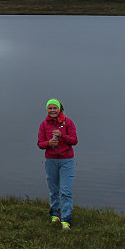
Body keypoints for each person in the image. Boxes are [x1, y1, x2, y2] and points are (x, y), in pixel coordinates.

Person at [38, 98, 78, 230]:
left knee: (66, 191)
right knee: (53, 189)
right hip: (51, 160)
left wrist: (62, 136)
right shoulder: (44, 125)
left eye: (55, 108)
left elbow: (74, 140)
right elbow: (40, 143)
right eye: (50, 108)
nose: (53, 110)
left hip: (67, 160)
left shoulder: (69, 122)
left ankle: (66, 219)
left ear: (60, 109)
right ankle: (55, 214)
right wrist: (48, 143)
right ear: (47, 110)